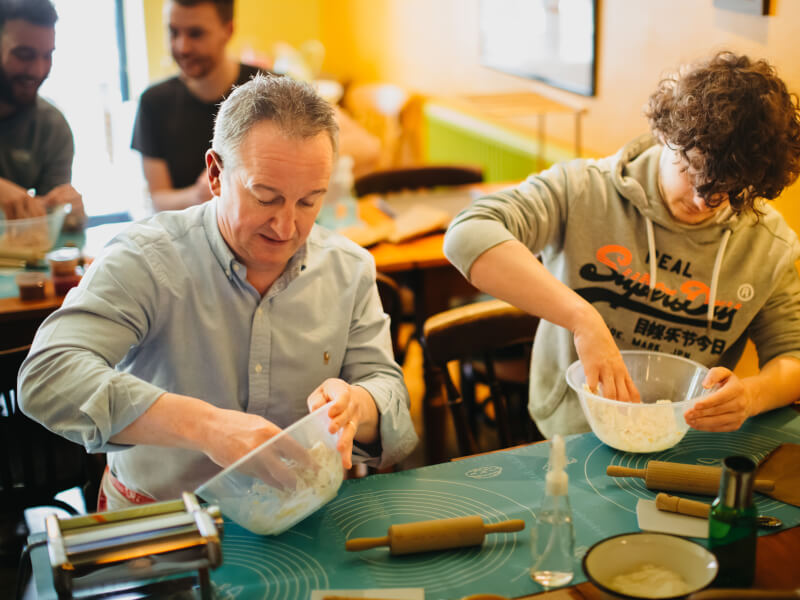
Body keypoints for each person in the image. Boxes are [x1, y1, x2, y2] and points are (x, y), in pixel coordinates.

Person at [19, 73, 417, 510]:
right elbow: (47, 376)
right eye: (265, 197)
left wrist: (356, 406)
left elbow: (388, 392)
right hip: (161, 516)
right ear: (215, 174)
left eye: (309, 201)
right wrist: (206, 427)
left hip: (299, 515)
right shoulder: (146, 258)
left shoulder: (348, 267)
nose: (287, 228)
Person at [444, 51, 800, 437]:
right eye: (691, 171)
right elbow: (468, 233)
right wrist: (582, 319)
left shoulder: (770, 245)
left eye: (730, 190)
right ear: (667, 133)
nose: (703, 201)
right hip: (570, 432)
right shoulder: (582, 189)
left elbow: (793, 356)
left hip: (683, 438)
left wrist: (752, 396)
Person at [131, 0, 262, 212]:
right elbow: (159, 199)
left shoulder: (268, 91)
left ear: (228, 31)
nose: (182, 47)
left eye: (196, 34)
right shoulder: (153, 103)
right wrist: (201, 193)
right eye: (173, 32)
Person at [0, 0, 84, 224]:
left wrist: (67, 214)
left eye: (47, 55)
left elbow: (47, 223)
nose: (38, 70)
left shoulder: (52, 127)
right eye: (24, 55)